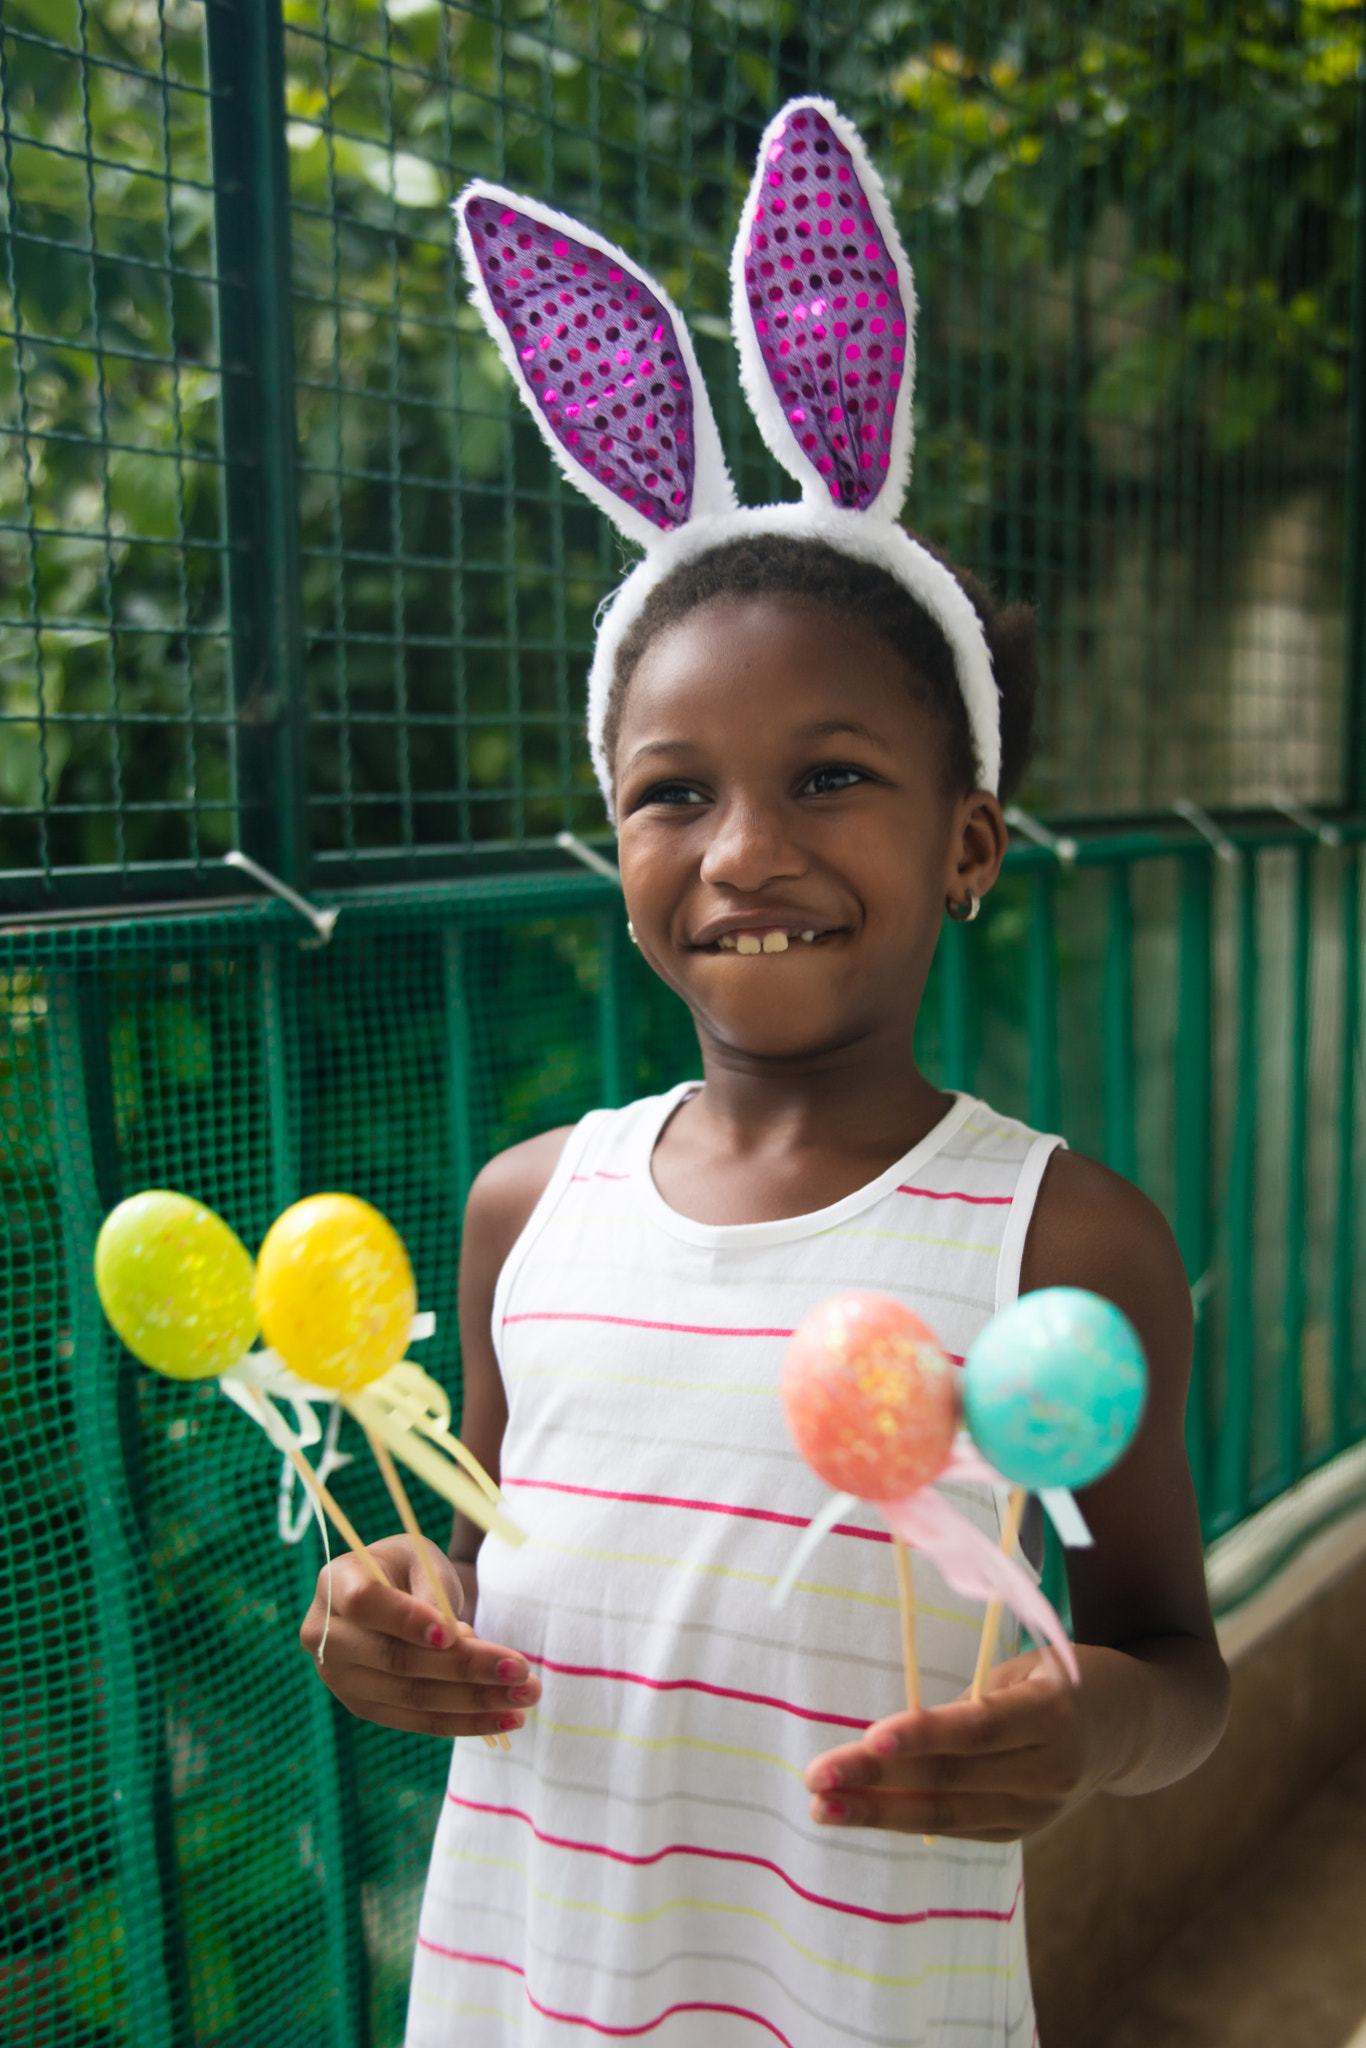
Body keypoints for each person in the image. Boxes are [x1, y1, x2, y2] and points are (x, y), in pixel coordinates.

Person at [300, 98, 1229, 2047]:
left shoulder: (1061, 1234)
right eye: (671, 792)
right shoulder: (524, 1207)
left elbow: (1173, 1661)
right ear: (613, 841)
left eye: (830, 777)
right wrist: (393, 1621)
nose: (743, 849)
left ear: (965, 845)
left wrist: (1086, 1729)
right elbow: (482, 1571)